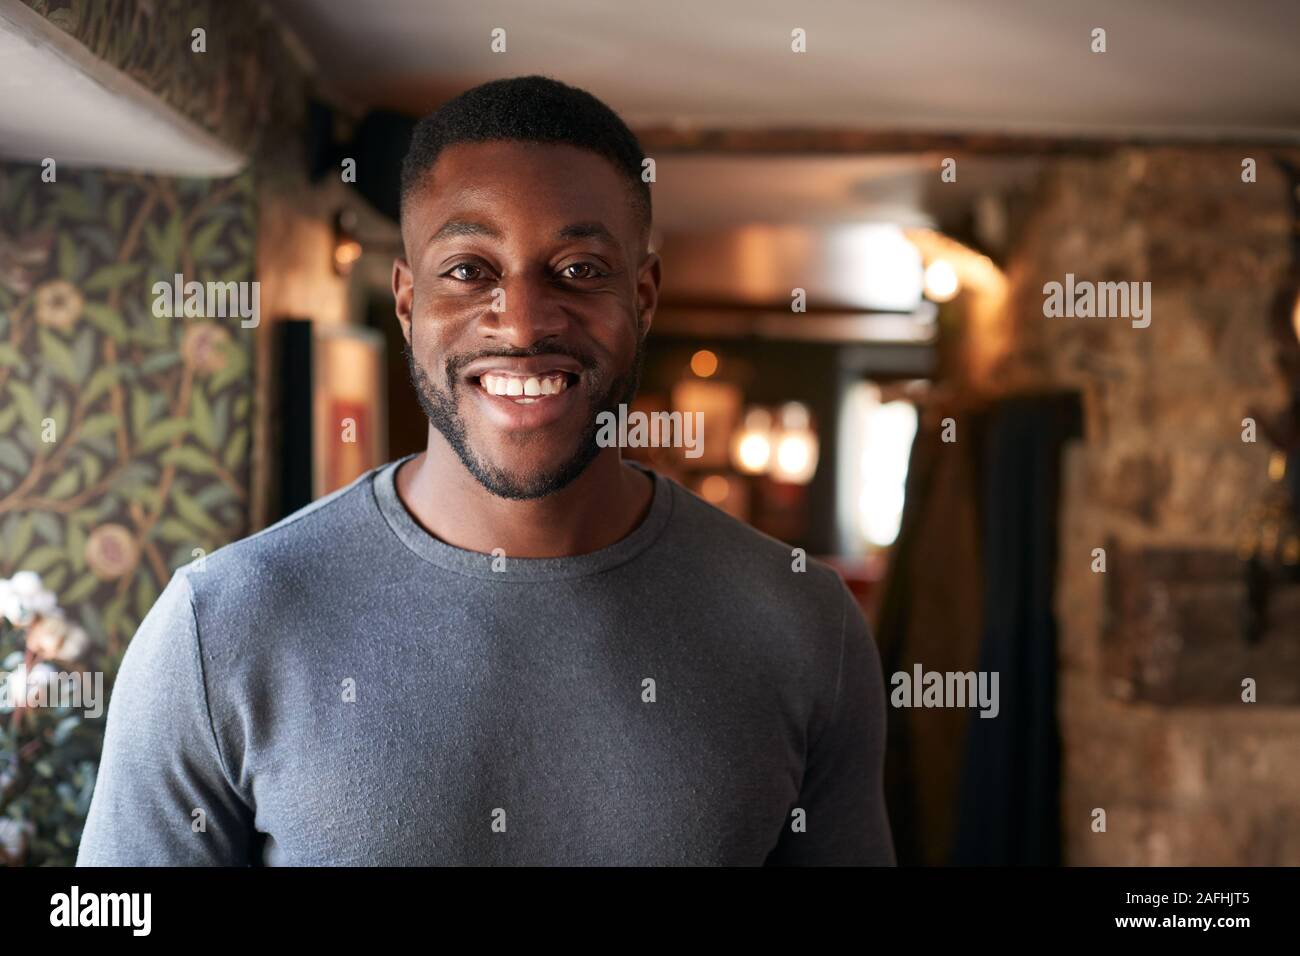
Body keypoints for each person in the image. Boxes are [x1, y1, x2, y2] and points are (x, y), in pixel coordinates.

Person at [77, 75, 894, 866]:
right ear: (407, 302)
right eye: (470, 270)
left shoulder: (803, 625)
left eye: (579, 270)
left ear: (642, 298)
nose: (525, 321)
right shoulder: (219, 626)